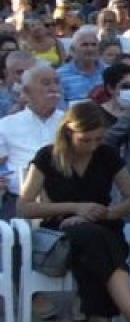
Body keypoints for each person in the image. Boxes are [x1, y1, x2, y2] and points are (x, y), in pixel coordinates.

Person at [17, 102, 130, 322]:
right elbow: (24, 207)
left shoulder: (105, 155)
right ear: (69, 132)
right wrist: (74, 208)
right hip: (63, 232)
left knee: (93, 259)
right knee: (90, 240)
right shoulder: (48, 157)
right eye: (85, 140)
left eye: (98, 138)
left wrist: (107, 212)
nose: (92, 145)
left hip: (104, 227)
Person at [0, 65, 66, 218]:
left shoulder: (70, 123)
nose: (53, 88)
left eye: (56, 82)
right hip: (18, 201)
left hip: (65, 200)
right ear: (26, 92)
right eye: (46, 83)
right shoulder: (6, 125)